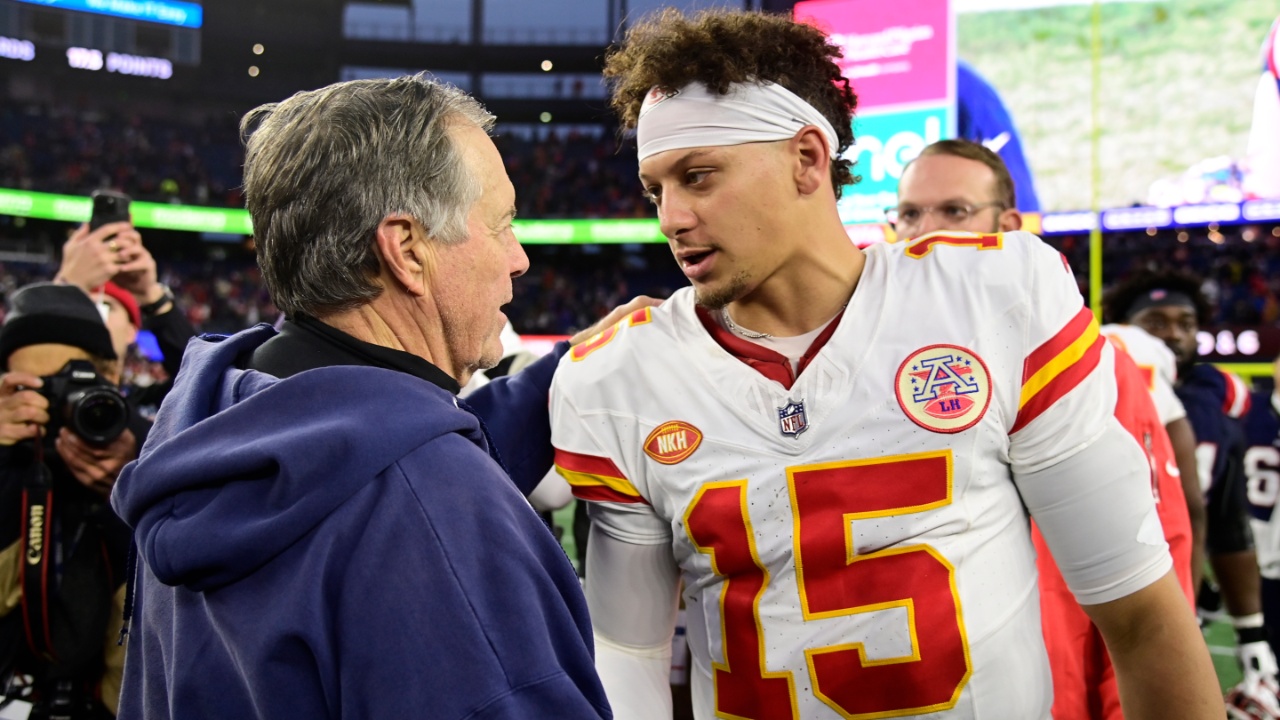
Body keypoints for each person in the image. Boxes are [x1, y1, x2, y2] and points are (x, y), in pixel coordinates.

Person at [548, 9, 1220, 720]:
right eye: (657, 189)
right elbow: (628, 664)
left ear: (808, 158)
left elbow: (1141, 612)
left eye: (699, 176)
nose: (672, 217)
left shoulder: (995, 301)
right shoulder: (620, 376)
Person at [110, 74, 630, 719]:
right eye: (502, 225)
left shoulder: (211, 416)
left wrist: (564, 369)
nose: (519, 259)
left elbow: (368, 445)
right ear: (407, 250)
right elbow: (414, 495)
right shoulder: (439, 505)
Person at [895, 139, 1202, 720]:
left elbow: (1154, 572)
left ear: (1006, 226)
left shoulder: (1086, 363)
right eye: (910, 213)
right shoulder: (861, 367)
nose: (924, 231)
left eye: (953, 211)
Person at [1110, 270, 1280, 715]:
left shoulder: (1217, 398)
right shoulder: (1096, 388)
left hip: (1178, 603)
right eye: (1156, 322)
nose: (1174, 335)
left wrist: (1251, 632)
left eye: (1186, 323)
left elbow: (1225, 520)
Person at [0, 282, 138, 717]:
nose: (59, 405)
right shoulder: (11, 463)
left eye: (67, 384)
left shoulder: (149, 453)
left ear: (109, 380)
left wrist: (132, 489)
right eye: (37, 389)